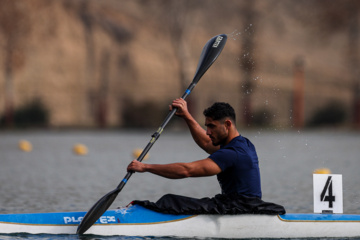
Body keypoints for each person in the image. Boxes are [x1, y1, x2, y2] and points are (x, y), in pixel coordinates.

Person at [127, 98, 285, 215]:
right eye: (206, 126)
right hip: (241, 205)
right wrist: (187, 116)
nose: (208, 132)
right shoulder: (244, 144)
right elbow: (206, 143)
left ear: (228, 125)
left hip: (239, 208)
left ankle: (138, 216)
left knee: (170, 201)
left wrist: (146, 167)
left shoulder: (231, 154)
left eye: (211, 126)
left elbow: (186, 171)